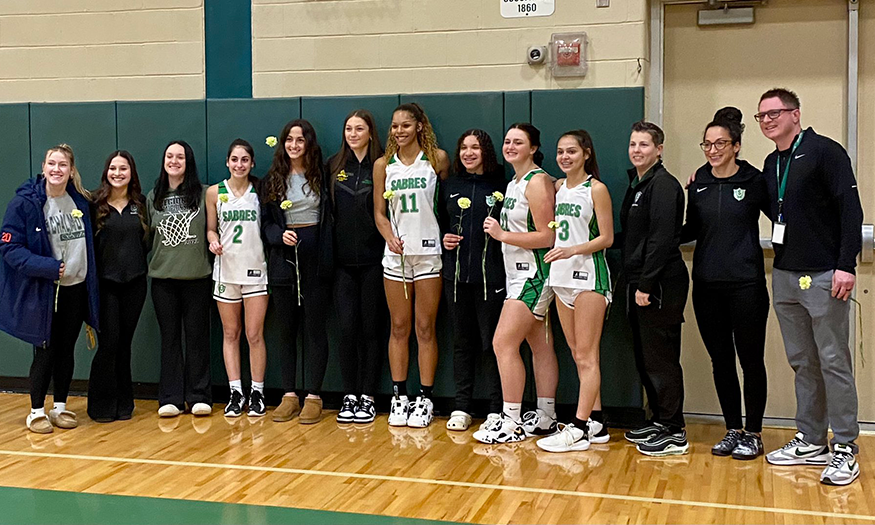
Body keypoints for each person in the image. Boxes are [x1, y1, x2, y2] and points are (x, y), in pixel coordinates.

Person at [756, 88, 863, 486]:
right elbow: (775, 208)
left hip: (824, 275)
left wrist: (845, 265)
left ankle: (846, 447)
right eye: (762, 116)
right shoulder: (772, 161)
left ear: (795, 114)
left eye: (775, 113)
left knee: (834, 360)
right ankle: (813, 439)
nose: (768, 120)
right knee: (802, 360)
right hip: (786, 275)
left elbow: (850, 210)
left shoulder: (825, 151)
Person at [681, 108, 770, 460]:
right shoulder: (698, 182)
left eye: (721, 143)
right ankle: (733, 429)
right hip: (706, 286)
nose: (713, 150)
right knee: (721, 361)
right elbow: (691, 229)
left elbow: (782, 217)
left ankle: (755, 432)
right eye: (707, 144)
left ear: (736, 146)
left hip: (746, 285)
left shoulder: (755, 181)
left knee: (751, 360)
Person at [0, 144, 99, 433]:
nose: (57, 169)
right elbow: (9, 247)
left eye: (63, 165)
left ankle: (60, 406)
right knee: (45, 350)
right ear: (43, 167)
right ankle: (35, 410)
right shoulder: (25, 203)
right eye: (51, 164)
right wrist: (48, 267)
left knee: (67, 350)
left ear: (71, 170)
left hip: (75, 289)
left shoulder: (79, 201)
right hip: (45, 291)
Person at [473, 123, 558, 444]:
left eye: (518, 142)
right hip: (516, 274)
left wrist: (502, 234)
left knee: (502, 344)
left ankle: (511, 420)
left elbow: (547, 235)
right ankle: (547, 415)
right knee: (539, 344)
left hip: (533, 274)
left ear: (533, 148)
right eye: (507, 141)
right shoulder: (514, 182)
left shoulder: (536, 182)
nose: (510, 146)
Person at [535, 130, 613, 453]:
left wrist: (571, 250)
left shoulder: (596, 189)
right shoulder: (557, 188)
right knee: (577, 354)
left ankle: (578, 428)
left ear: (586, 153)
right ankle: (597, 422)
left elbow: (607, 238)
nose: (565, 157)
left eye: (572, 151)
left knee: (586, 356)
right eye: (560, 152)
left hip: (589, 279)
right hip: (561, 279)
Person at [374, 103, 449, 428]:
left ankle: (425, 398)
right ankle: (399, 395)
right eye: (394, 126)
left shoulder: (437, 160)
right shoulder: (383, 165)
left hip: (429, 253)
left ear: (419, 126)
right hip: (397, 256)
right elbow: (379, 212)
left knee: (425, 328)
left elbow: (446, 205)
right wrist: (389, 236)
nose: (399, 131)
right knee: (399, 327)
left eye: (405, 125)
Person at [619, 121, 690, 456]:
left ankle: (675, 429)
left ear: (659, 150)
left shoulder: (663, 185)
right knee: (646, 356)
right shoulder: (638, 184)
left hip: (659, 284)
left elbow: (661, 239)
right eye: (633, 144)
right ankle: (660, 419)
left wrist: (646, 284)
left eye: (644, 145)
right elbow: (633, 236)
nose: (637, 150)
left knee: (661, 357)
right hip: (637, 280)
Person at [262, 119, 333, 424]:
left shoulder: (321, 175)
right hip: (283, 260)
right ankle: (289, 395)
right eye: (289, 140)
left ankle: (314, 396)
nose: (294, 145)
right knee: (286, 330)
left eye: (300, 140)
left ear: (308, 144)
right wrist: (279, 236)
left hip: (315, 255)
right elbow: (264, 224)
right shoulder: (272, 180)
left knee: (315, 328)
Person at [439, 129, 505, 432]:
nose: (468, 153)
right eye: (464, 147)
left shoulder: (501, 184)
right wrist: (445, 238)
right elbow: (440, 223)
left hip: (491, 276)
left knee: (491, 343)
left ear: (486, 151)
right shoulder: (450, 185)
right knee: (461, 343)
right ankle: (462, 406)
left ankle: (496, 409)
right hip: (455, 278)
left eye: (475, 147)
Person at [147, 140, 213, 418]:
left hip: (197, 277)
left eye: (180, 157)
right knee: (170, 338)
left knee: (197, 338)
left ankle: (198, 395)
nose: (174, 161)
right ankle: (171, 397)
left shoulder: (205, 194)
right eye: (170, 156)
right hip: (163, 279)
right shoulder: (153, 196)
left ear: (189, 163)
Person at [328, 110, 385, 425]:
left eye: (359, 128)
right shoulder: (334, 166)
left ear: (370, 132)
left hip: (375, 262)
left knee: (371, 330)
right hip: (342, 265)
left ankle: (368, 396)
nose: (353, 133)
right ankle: (349, 394)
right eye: (348, 128)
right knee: (347, 329)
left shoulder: (382, 165)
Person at [206, 139, 269, 418]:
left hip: (255, 270)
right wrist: (213, 241)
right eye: (234, 159)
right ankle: (235, 392)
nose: (239, 164)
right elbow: (210, 229)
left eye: (245, 160)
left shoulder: (261, 192)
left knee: (255, 334)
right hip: (226, 271)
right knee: (231, 333)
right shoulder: (214, 192)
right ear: (227, 162)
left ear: (252, 163)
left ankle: (257, 391)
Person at [88, 151, 149, 423]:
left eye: (123, 169)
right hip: (105, 285)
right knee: (109, 343)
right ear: (106, 172)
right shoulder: (95, 204)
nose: (117, 173)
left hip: (135, 283)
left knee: (125, 343)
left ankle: (124, 403)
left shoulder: (141, 204)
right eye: (113, 168)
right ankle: (100, 405)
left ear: (131, 173)